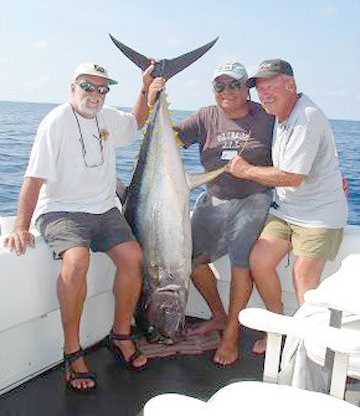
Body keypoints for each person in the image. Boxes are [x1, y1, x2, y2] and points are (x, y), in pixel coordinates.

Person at [3, 62, 165, 391]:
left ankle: (121, 335)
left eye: (102, 89)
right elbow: (33, 179)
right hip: (62, 210)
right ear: (72, 88)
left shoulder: (107, 117)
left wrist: (145, 90)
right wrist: (21, 225)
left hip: (104, 210)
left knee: (133, 257)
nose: (95, 94)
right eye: (87, 87)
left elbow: (135, 123)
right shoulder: (56, 121)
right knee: (77, 261)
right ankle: (72, 351)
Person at [227, 59, 348, 353]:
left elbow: (292, 176)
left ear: (291, 85)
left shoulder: (306, 117)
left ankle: (308, 349)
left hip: (319, 215)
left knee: (303, 279)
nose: (265, 94)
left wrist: (245, 171)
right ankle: (280, 328)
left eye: (271, 87)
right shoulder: (280, 114)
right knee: (260, 260)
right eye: (261, 89)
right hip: (287, 210)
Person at [174, 61, 274, 366]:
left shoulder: (267, 117)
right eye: (220, 86)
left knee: (240, 263)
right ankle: (218, 316)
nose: (227, 91)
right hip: (213, 198)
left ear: (247, 88)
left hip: (253, 198)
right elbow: (174, 138)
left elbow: (300, 147)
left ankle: (231, 334)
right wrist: (152, 97)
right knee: (189, 260)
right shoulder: (206, 115)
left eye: (234, 85)